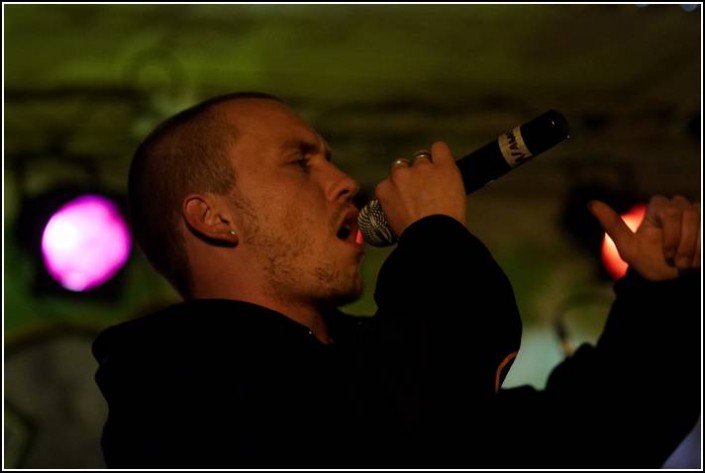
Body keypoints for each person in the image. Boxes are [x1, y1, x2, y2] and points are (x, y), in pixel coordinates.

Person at [92, 91, 701, 469]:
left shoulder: (370, 357)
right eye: (300, 162)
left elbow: (586, 441)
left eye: (328, 158)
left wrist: (663, 295)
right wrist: (434, 235)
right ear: (214, 217)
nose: (344, 182)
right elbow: (412, 434)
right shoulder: (173, 393)